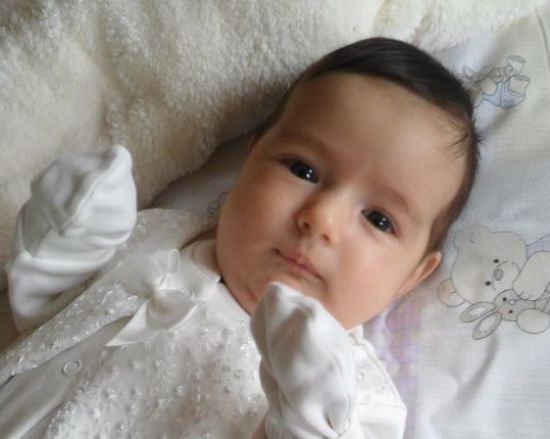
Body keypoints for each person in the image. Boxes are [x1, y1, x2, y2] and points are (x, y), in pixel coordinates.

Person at [0, 37, 479, 438]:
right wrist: (69, 239)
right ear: (249, 162)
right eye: (303, 170)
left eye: (378, 219)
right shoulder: (158, 234)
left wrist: (307, 416)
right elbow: (46, 322)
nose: (322, 219)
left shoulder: (356, 399)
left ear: (411, 276)